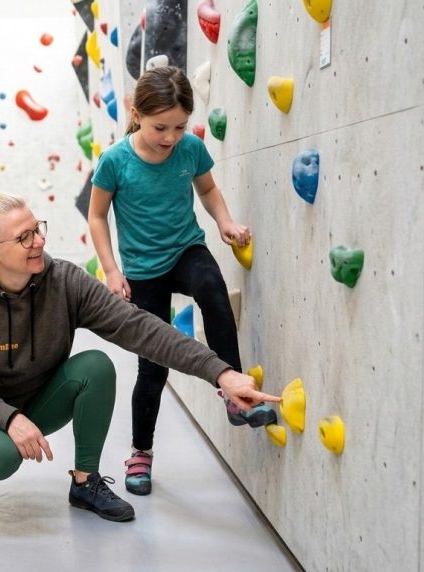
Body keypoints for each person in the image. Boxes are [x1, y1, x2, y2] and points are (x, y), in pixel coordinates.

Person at [0, 193, 280, 522]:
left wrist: (220, 373)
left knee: (95, 366)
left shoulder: (64, 281)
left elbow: (138, 327)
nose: (39, 241)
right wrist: (6, 418)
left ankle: (85, 483)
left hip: (34, 402)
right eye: (24, 237)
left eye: (37, 228)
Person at [87, 66, 276, 497]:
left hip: (186, 249)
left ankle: (233, 392)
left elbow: (208, 190)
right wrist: (112, 270)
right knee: (152, 366)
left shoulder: (190, 149)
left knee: (212, 288)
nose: (170, 137)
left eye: (179, 126)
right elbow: (97, 215)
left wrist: (224, 221)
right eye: (159, 127)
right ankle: (141, 451)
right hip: (143, 269)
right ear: (136, 113)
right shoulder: (116, 160)